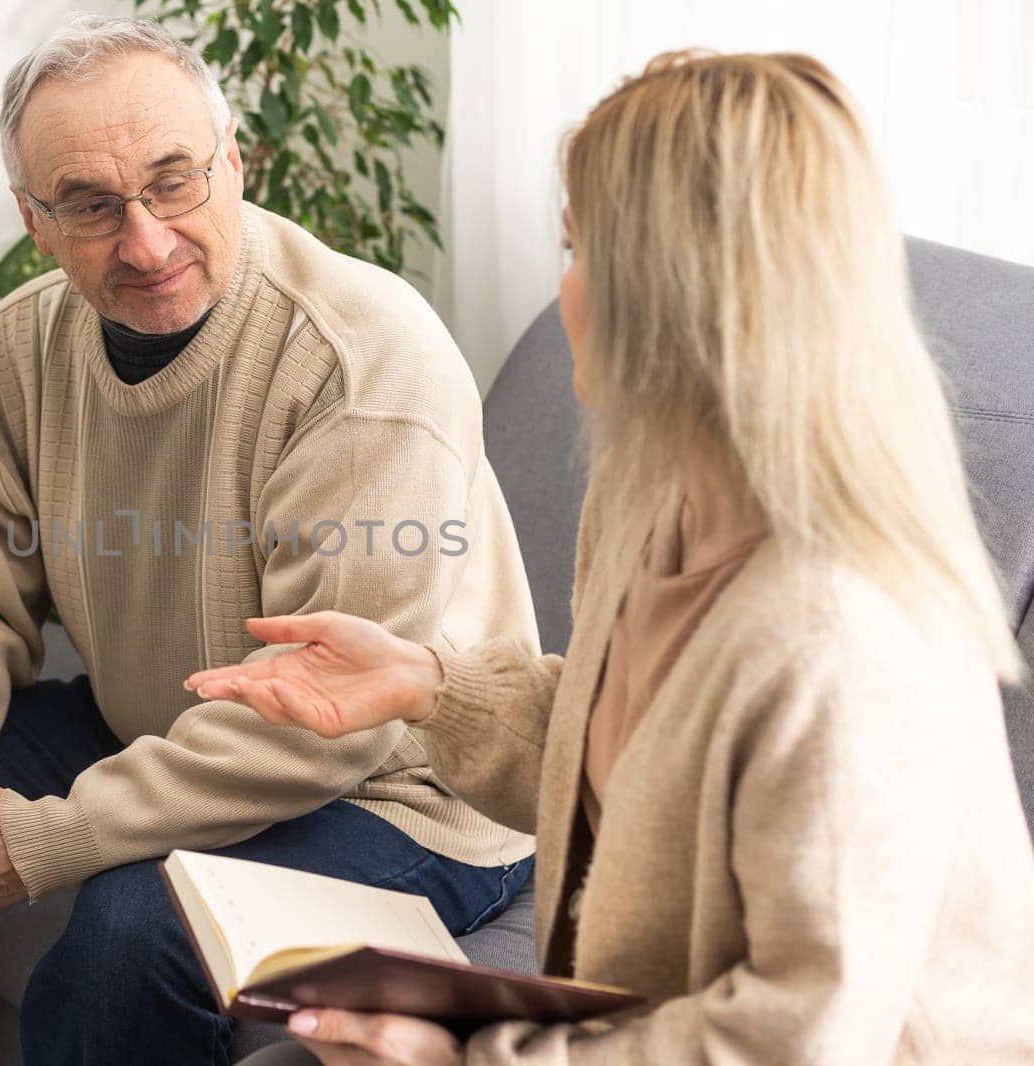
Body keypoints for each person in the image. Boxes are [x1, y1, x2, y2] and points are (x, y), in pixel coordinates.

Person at [187, 50, 1034, 1065]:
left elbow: (795, 1039)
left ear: (671, 291)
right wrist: (429, 687)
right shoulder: (651, 501)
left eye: (580, 251)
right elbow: (645, 773)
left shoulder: (844, 640)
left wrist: (465, 1058)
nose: (564, 291)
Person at [0, 13, 542, 1066]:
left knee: (132, 933)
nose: (144, 242)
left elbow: (323, 721)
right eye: (91, 206)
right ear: (34, 220)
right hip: (159, 731)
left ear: (233, 163)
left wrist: (33, 839)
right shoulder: (16, 352)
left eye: (174, 181)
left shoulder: (360, 358)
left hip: (398, 795)